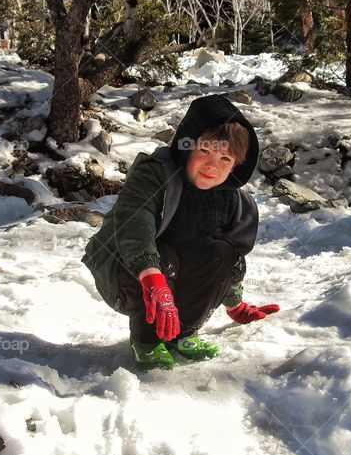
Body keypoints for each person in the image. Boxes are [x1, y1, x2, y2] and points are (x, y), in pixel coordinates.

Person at [82, 94, 280, 370]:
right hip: (124, 272)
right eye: (206, 151)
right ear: (188, 147)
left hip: (174, 279)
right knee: (162, 257)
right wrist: (152, 277)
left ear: (236, 165)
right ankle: (147, 340)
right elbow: (134, 223)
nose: (213, 165)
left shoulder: (233, 200)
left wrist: (234, 304)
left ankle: (182, 332)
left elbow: (229, 260)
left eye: (225, 158)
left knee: (223, 252)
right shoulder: (155, 173)